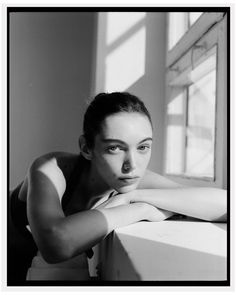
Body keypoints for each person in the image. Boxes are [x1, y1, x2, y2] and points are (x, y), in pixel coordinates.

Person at [10, 92, 227, 281]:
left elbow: (225, 204)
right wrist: (138, 208)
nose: (132, 164)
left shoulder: (130, 181)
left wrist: (134, 196)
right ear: (86, 148)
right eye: (115, 148)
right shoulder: (52, 168)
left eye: (143, 147)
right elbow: (56, 244)